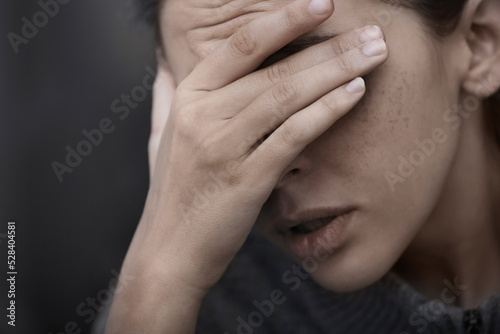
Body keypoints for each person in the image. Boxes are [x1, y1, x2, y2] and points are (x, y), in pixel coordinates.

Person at [99, 0, 500, 332]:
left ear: (481, 42)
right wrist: (159, 283)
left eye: (319, 81)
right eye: (224, 117)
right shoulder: (204, 294)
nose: (273, 159)